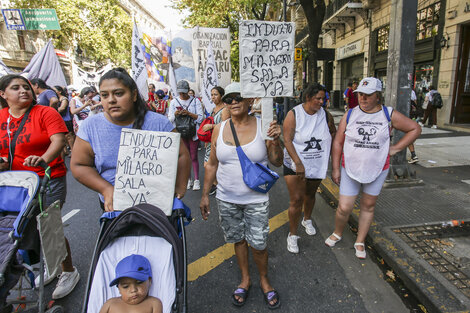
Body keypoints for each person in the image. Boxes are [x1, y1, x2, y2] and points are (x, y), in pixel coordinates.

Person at [199, 82, 283, 309]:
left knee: (259, 243)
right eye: (229, 99)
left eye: (238, 97)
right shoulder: (219, 128)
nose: (233, 102)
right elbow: (211, 165)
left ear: (249, 100)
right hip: (226, 198)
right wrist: (205, 195)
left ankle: (264, 279)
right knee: (238, 239)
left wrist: (275, 139)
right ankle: (245, 278)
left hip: (256, 199)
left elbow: (277, 162)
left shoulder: (264, 126)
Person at [0, 74, 80, 299]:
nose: (23, 91)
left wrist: (43, 158)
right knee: (19, 228)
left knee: (47, 225)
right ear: (3, 94)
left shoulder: (45, 113)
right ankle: (46, 265)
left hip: (47, 179)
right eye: (15, 88)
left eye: (26, 87)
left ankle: (68, 271)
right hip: (16, 185)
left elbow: (58, 141)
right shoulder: (1, 117)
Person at [325, 77, 421, 259]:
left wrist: (395, 149)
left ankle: (360, 240)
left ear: (378, 96)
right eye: (361, 94)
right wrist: (336, 168)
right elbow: (338, 142)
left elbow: (415, 129)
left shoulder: (388, 114)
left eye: (368, 95)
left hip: (377, 168)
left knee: (368, 205)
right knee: (344, 207)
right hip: (350, 168)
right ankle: (338, 232)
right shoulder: (351, 114)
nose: (363, 98)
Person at [70, 68, 190, 212]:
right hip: (114, 208)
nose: (111, 100)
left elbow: (182, 155)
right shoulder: (90, 126)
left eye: (118, 94)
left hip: (157, 204)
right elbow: (79, 165)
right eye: (104, 95)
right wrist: (106, 190)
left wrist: (180, 186)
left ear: (133, 95)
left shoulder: (159, 123)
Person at [283, 83, 336, 253]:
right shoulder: (294, 114)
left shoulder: (326, 115)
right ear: (307, 98)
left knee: (310, 194)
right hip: (294, 163)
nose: (322, 102)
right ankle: (292, 235)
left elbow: (333, 134)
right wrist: (298, 163)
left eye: (323, 98)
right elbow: (287, 140)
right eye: (318, 98)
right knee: (297, 199)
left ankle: (307, 219)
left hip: (316, 163)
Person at [168, 80, 203, 191]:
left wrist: (188, 113)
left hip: (192, 132)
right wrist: (175, 113)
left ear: (188, 91)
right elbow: (170, 119)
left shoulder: (195, 101)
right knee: (185, 158)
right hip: (180, 132)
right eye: (180, 92)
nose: (182, 95)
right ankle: (189, 180)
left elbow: (200, 118)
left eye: (184, 92)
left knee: (193, 156)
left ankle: (196, 179)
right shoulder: (174, 102)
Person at [202, 86, 229, 195]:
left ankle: (218, 185)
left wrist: (211, 126)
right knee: (211, 165)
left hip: (220, 141)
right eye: (212, 95)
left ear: (222, 96)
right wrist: (206, 140)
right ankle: (217, 185)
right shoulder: (213, 109)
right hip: (211, 140)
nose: (213, 97)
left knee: (209, 165)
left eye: (216, 94)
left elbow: (226, 126)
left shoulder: (225, 109)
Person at [53, 86, 75, 157]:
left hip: (66, 119)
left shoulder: (64, 99)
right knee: (63, 136)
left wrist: (52, 111)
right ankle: (65, 150)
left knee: (69, 136)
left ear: (59, 91)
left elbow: (62, 108)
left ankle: (73, 150)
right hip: (59, 119)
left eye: (55, 90)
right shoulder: (56, 99)